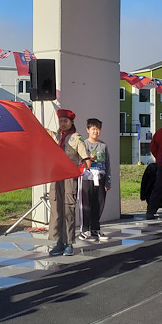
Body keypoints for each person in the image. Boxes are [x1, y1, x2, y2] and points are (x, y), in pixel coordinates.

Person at [47, 109, 91, 256]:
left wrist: (81, 170)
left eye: (66, 121)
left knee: (68, 208)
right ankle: (58, 241)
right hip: (55, 176)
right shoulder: (55, 136)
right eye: (61, 121)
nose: (63, 124)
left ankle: (68, 243)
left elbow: (86, 159)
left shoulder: (76, 138)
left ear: (71, 122)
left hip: (69, 177)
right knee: (55, 208)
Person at [78, 118, 111, 242]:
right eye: (93, 129)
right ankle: (84, 230)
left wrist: (108, 181)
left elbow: (107, 164)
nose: (95, 132)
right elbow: (79, 160)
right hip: (87, 179)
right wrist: (87, 159)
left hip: (100, 179)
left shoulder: (103, 146)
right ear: (88, 130)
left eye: (98, 129)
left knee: (99, 204)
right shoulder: (83, 144)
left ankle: (95, 229)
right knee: (86, 205)